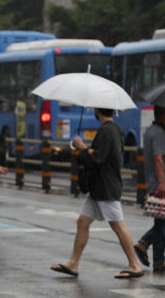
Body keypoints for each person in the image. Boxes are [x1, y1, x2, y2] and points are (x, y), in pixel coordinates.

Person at [50, 108, 143, 279]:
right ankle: (73, 263)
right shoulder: (111, 129)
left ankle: (134, 265)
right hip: (99, 187)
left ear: (98, 110)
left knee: (118, 225)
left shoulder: (108, 131)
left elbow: (99, 157)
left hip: (106, 187)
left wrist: (82, 146)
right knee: (82, 222)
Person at [133, 106, 165, 272]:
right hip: (163, 184)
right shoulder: (159, 133)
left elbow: (161, 155)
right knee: (164, 221)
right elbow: (158, 158)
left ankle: (143, 244)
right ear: (164, 114)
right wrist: (162, 183)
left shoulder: (153, 131)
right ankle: (158, 260)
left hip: (161, 182)